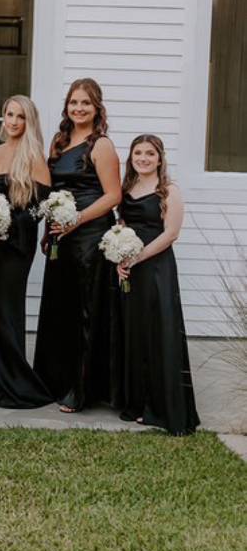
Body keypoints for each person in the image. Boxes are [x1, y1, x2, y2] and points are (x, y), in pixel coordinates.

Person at [33, 78, 122, 413]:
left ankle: (82, 389)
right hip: (61, 238)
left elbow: (113, 195)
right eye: (74, 102)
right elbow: (51, 192)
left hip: (89, 236)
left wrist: (78, 219)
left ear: (97, 107)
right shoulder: (60, 141)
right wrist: (48, 231)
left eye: (86, 103)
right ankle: (55, 380)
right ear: (67, 107)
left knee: (87, 311)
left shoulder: (101, 146)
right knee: (61, 309)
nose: (79, 108)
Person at [117, 135, 199, 436]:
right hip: (131, 269)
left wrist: (137, 257)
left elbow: (171, 234)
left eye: (149, 153)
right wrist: (120, 259)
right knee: (134, 334)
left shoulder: (169, 191)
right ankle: (136, 403)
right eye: (138, 153)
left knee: (158, 332)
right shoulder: (127, 189)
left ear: (160, 158)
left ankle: (161, 406)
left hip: (157, 268)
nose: (143, 158)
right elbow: (122, 226)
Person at [0, 96, 52, 408]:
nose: (13, 121)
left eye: (20, 117)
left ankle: (15, 382)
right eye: (9, 114)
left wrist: (6, 226)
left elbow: (40, 209)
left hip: (17, 245)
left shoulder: (35, 155)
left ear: (29, 121)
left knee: (6, 309)